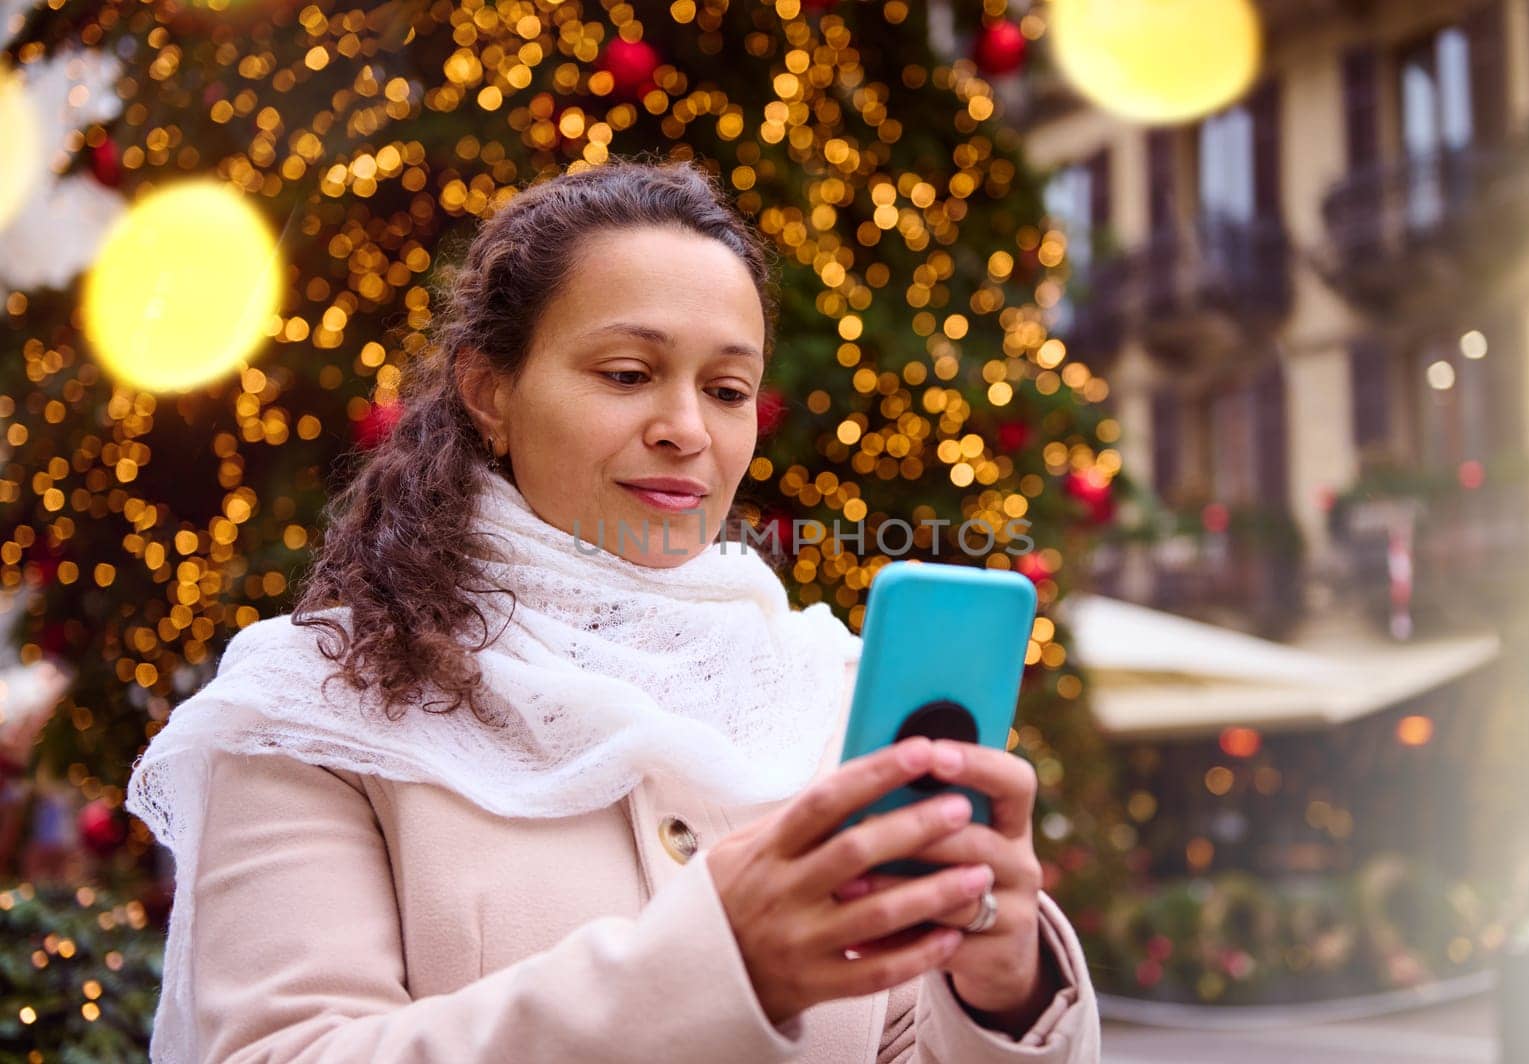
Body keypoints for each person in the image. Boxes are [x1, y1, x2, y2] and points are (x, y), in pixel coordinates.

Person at [126, 157, 1100, 1063]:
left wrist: (1001, 992)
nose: (686, 429)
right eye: (627, 374)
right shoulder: (314, 702)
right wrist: (716, 967)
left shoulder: (824, 691)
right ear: (488, 390)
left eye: (726, 389)